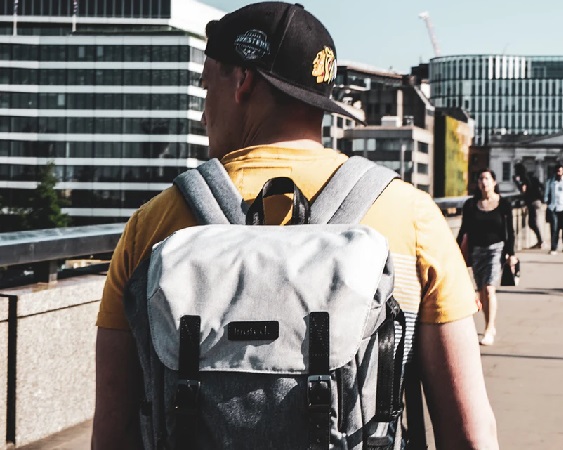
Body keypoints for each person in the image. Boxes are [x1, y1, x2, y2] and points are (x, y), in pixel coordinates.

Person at [92, 3, 499, 448]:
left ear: (242, 82)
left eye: (206, 87)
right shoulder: (412, 216)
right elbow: (468, 432)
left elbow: (114, 430)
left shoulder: (154, 226)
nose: (203, 112)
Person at [458, 169, 517, 347]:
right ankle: (489, 324)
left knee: (490, 288)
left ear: (494, 182)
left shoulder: (504, 204)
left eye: (487, 179)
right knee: (482, 291)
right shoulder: (470, 205)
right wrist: (455, 250)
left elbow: (510, 231)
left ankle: (489, 328)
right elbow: (464, 230)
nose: (484, 182)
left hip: (496, 249)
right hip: (476, 251)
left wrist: (511, 253)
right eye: (481, 179)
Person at [513, 162, 544, 249]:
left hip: (532, 202)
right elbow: (542, 186)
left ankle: (540, 241)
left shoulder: (523, 179)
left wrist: (517, 182)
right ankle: (540, 241)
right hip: (537, 201)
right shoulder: (532, 178)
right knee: (533, 222)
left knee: (532, 223)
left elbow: (523, 190)